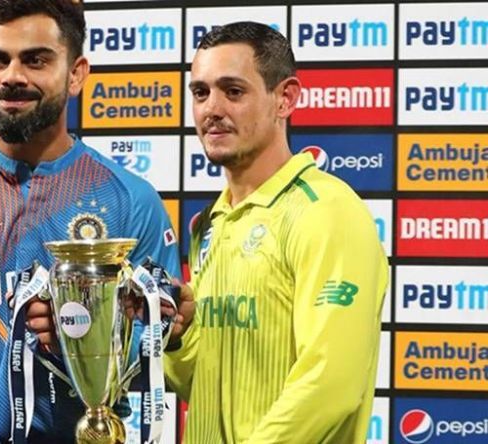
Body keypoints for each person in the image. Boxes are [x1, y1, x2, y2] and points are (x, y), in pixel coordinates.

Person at [0, 1, 181, 442]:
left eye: (36, 60)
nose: (11, 77)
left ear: (77, 73)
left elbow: (150, 356)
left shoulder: (130, 199)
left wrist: (162, 331)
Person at [164, 22, 388, 443]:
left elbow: (330, 383)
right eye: (200, 92)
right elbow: (200, 386)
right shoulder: (213, 221)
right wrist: (178, 341)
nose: (212, 108)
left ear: (285, 98)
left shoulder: (328, 212)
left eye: (233, 91)